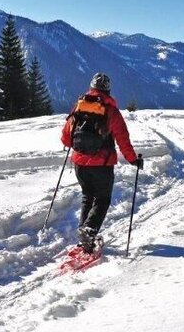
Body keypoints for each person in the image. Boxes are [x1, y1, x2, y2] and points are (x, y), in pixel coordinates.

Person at [60, 73, 143, 252]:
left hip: (80, 164)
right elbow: (123, 139)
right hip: (102, 165)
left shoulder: (79, 107)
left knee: (87, 197)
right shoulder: (111, 111)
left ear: (91, 87)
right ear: (108, 89)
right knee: (102, 200)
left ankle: (85, 236)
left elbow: (66, 138)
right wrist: (133, 160)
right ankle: (88, 232)